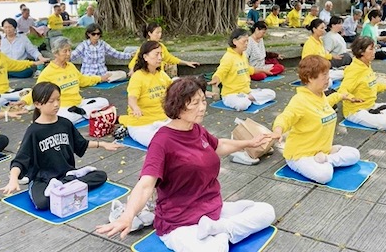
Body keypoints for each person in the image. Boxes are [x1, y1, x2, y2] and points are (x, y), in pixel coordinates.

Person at [97, 77, 276, 250]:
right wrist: (127, 216)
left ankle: (218, 229)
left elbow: (218, 145)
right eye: (195, 103)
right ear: (178, 105)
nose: (202, 107)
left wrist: (248, 143)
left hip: (213, 209)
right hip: (179, 222)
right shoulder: (162, 141)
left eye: (203, 101)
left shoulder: (196, 129)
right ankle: (220, 232)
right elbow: (145, 185)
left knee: (266, 211)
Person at [0, 82, 120, 209]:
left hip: (67, 174)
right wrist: (13, 179)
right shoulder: (34, 131)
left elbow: (81, 144)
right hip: (44, 180)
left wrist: (103, 144)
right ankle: (67, 187)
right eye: (51, 101)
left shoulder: (65, 124)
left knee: (100, 176)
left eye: (58, 99)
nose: (56, 104)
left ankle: (64, 185)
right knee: (42, 202)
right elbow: (20, 160)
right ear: (37, 104)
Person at [272, 55, 360, 184]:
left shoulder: (320, 95)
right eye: (324, 75)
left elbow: (325, 105)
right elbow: (285, 117)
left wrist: (342, 96)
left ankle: (326, 159)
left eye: (328, 74)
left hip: (321, 151)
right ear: (310, 78)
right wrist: (278, 131)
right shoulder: (300, 100)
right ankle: (325, 160)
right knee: (325, 175)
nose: (328, 77)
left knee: (355, 154)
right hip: (301, 155)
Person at [18, 37, 111, 123]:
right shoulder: (48, 72)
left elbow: (83, 80)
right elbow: (37, 90)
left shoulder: (71, 66)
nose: (68, 54)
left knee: (104, 101)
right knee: (63, 118)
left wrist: (100, 78)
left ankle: (82, 113)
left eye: (70, 50)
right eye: (65, 51)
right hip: (64, 107)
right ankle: (87, 114)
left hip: (79, 103)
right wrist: (24, 101)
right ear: (55, 53)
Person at [337, 37, 386, 130]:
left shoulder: (367, 65)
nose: (374, 51)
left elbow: (372, 85)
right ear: (361, 52)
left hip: (371, 105)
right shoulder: (354, 70)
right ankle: (379, 116)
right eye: (371, 49)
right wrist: (351, 98)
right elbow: (342, 90)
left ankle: (376, 114)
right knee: (385, 124)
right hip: (356, 111)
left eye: (374, 48)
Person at [118, 41, 172, 147]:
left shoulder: (161, 74)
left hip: (162, 120)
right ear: (145, 57)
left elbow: (175, 89)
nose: (160, 58)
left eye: (161, 54)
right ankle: (127, 127)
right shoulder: (138, 76)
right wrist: (135, 107)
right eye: (156, 54)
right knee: (161, 144)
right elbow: (132, 98)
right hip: (142, 124)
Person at [209, 28, 276, 112]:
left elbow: (249, 69)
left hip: (247, 92)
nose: (247, 44)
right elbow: (221, 71)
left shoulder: (243, 55)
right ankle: (249, 99)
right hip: (231, 95)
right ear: (235, 42)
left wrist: (263, 70)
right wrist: (216, 78)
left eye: (247, 41)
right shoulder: (228, 57)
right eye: (244, 41)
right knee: (242, 104)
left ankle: (249, 98)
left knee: (271, 93)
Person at [128, 23, 199, 74]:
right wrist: (132, 70)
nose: (160, 35)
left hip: (159, 73)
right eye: (157, 33)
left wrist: (186, 62)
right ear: (149, 33)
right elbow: (135, 61)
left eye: (160, 32)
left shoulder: (161, 46)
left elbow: (170, 58)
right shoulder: (145, 47)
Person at [302, 19, 344, 83]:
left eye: (324, 28)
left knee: (345, 73)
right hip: (314, 72)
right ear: (314, 29)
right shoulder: (309, 43)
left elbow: (323, 54)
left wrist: (332, 56)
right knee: (328, 82)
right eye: (321, 28)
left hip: (322, 70)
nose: (324, 30)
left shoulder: (320, 41)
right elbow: (307, 62)